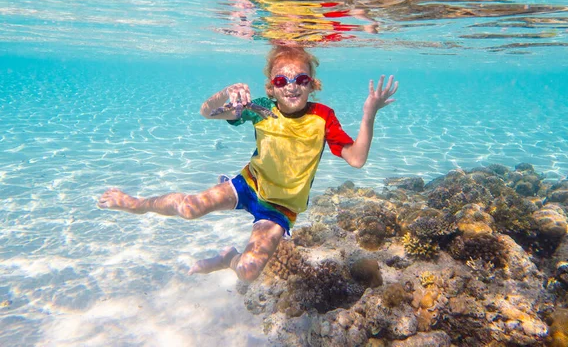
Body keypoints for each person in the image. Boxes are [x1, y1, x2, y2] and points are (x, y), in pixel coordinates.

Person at [97, 45, 398, 282]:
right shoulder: (261, 109)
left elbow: (356, 160)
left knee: (247, 273)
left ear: (312, 84)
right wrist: (224, 94)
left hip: (280, 208)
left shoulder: (323, 117)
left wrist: (369, 113)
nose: (292, 87)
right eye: (282, 80)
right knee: (191, 208)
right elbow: (206, 112)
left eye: (301, 80)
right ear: (271, 87)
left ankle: (227, 258)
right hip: (249, 183)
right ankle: (135, 203)